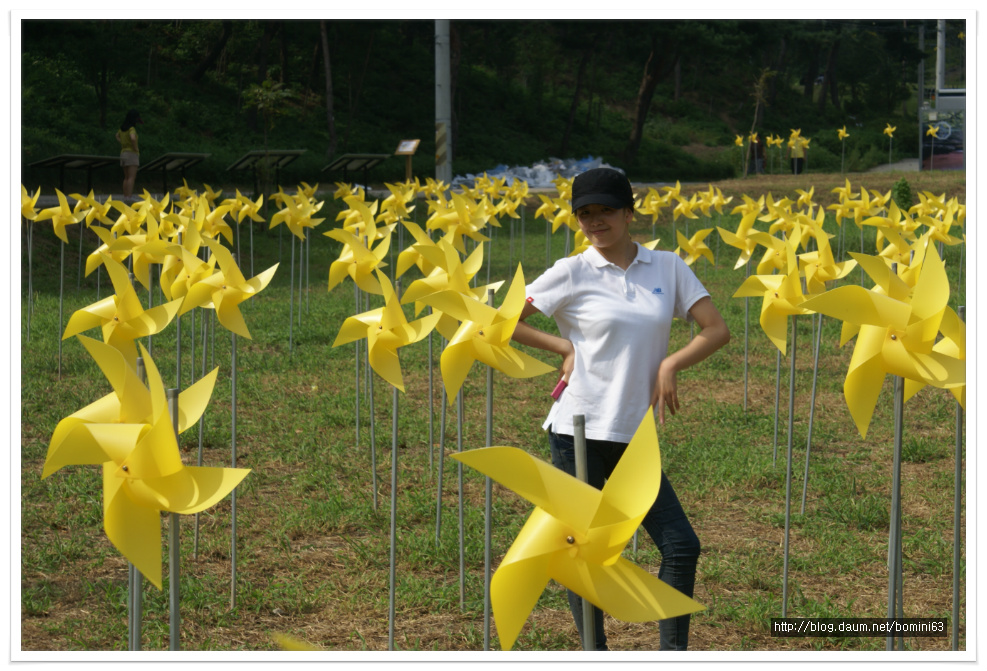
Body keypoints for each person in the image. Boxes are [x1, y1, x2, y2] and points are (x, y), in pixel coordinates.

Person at [511, 167, 730, 651]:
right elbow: (503, 322)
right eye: (585, 214)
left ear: (629, 213)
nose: (595, 221)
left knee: (680, 545)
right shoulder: (571, 271)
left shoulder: (668, 267)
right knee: (583, 554)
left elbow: (715, 329)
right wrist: (563, 348)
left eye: (605, 211)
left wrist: (672, 361)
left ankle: (672, 656)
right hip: (578, 432)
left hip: (634, 434)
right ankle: (597, 656)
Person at [115, 109, 142, 199]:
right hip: (131, 154)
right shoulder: (131, 129)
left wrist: (122, 142)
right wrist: (135, 148)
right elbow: (133, 138)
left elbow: (117, 135)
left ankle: (125, 195)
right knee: (131, 177)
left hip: (123, 153)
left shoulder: (122, 129)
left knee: (126, 177)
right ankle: (129, 196)